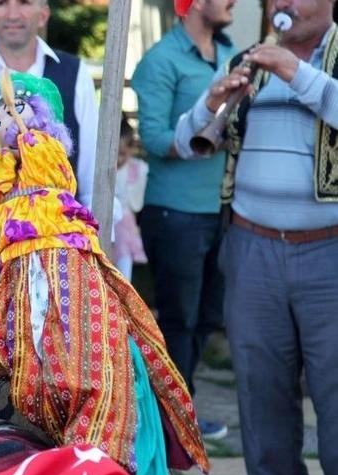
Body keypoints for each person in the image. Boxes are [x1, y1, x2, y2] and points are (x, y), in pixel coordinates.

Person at [0, 73, 209, 475]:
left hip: (63, 255)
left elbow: (53, 171)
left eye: (16, 109)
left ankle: (97, 447)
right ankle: (51, 432)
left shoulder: (44, 146)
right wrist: (3, 158)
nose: (8, 120)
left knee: (82, 341)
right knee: (30, 348)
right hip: (22, 263)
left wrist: (24, 140)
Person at [174, 0, 338, 475]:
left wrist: (293, 71)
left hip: (329, 253)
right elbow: (187, 144)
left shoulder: (286, 62)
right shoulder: (246, 60)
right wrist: (211, 104)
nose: (283, 4)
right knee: (260, 399)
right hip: (251, 252)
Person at [0, 0, 100, 337]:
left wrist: (95, 247)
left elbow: (92, 173)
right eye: (0, 3)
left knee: (55, 356)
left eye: (24, 2)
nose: (12, 13)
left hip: (62, 249)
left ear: (44, 12)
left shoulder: (73, 72)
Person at [131, 0, 236, 440]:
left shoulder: (231, 52)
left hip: (224, 210)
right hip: (176, 212)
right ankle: (174, 422)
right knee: (179, 320)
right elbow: (153, 138)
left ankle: (178, 411)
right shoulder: (160, 60)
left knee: (210, 316)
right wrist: (205, 134)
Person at [112, 118, 147, 281]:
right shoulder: (101, 167)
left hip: (125, 228)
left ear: (132, 149)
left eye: (123, 154)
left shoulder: (136, 169)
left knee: (124, 274)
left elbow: (136, 203)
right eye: (115, 154)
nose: (118, 160)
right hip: (107, 224)